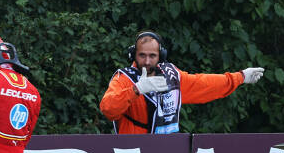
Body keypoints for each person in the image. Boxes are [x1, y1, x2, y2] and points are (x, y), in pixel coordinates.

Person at [100, 30, 265, 134]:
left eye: (152, 56)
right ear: (133, 55)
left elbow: (204, 84)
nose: (147, 61)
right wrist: (135, 90)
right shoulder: (124, 78)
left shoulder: (171, 75)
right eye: (142, 55)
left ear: (161, 56)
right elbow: (108, 109)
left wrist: (240, 77)